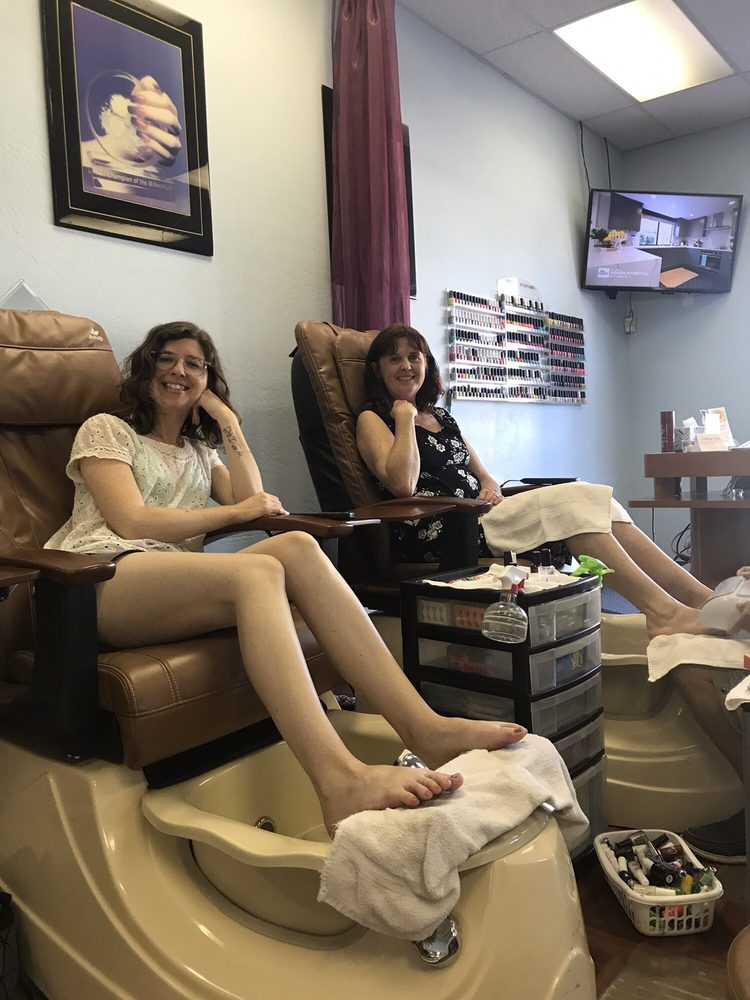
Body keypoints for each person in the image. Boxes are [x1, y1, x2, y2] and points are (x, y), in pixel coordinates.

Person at [44, 321, 528, 836]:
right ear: (146, 367)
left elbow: (253, 500)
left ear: (207, 380)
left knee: (296, 545)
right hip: (97, 578)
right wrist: (236, 512)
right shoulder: (107, 429)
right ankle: (338, 780)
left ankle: (425, 727)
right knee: (257, 572)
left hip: (164, 581)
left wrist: (226, 420)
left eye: (195, 364)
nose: (179, 371)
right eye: (167, 358)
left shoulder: (198, 453)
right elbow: (131, 521)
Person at [356, 323, 716, 640]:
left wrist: (490, 489)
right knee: (575, 502)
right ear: (377, 369)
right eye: (394, 359)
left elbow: (484, 474)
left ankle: (702, 599)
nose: (406, 365)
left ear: (427, 364)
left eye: (414, 357)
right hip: (445, 529)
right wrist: (403, 417)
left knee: (596, 501)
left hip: (483, 514)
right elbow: (402, 485)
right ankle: (663, 612)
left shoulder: (442, 417)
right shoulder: (373, 419)